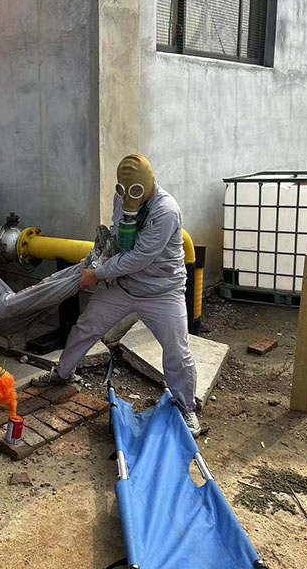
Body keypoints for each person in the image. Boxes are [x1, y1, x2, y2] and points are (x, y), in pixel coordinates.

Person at [32, 154, 201, 436]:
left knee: (176, 350)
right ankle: (62, 374)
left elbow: (139, 257)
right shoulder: (121, 198)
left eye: (134, 191)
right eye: (123, 190)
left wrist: (97, 274)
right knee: (86, 327)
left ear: (148, 184)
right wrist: (95, 260)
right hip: (123, 285)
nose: (127, 197)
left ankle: (186, 407)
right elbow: (116, 234)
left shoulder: (166, 211)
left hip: (162, 291)